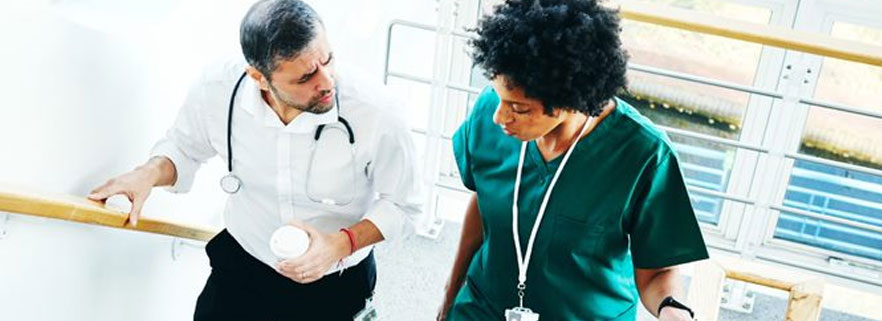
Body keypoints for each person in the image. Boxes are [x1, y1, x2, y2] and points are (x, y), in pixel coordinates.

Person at [86, 0, 423, 319]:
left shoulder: (379, 113)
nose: (326, 81)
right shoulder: (217, 89)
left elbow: (405, 208)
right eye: (305, 78)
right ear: (259, 77)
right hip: (246, 262)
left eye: (328, 60)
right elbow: (184, 148)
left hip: (335, 278)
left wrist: (339, 245)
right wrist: (147, 174)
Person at [437, 0, 709, 320]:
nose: (499, 116)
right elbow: (484, 203)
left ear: (570, 98)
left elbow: (657, 272)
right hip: (483, 310)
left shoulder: (644, 155)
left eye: (520, 108)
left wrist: (673, 311)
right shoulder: (489, 114)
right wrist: (450, 296)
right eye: (498, 96)